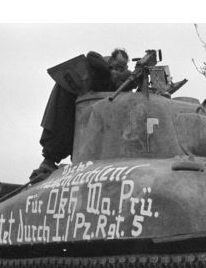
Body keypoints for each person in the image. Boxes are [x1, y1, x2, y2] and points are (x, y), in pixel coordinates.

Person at [30, 48, 133, 183]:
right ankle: (49, 162)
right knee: (63, 133)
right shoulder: (99, 66)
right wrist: (113, 74)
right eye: (117, 67)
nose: (118, 71)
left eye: (122, 68)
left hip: (97, 137)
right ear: (111, 61)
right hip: (71, 114)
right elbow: (91, 56)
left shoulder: (119, 81)